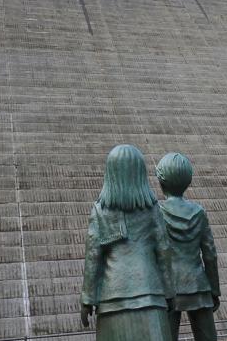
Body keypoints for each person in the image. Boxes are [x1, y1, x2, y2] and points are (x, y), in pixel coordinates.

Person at [80, 144, 175, 340]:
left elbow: (93, 257)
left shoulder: (100, 210)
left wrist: (87, 299)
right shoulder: (151, 208)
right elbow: (164, 250)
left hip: (112, 298)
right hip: (151, 292)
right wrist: (169, 291)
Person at [155, 152, 220, 341]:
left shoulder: (157, 212)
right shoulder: (199, 212)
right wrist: (214, 290)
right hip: (198, 285)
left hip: (168, 288)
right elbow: (210, 254)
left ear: (161, 181)